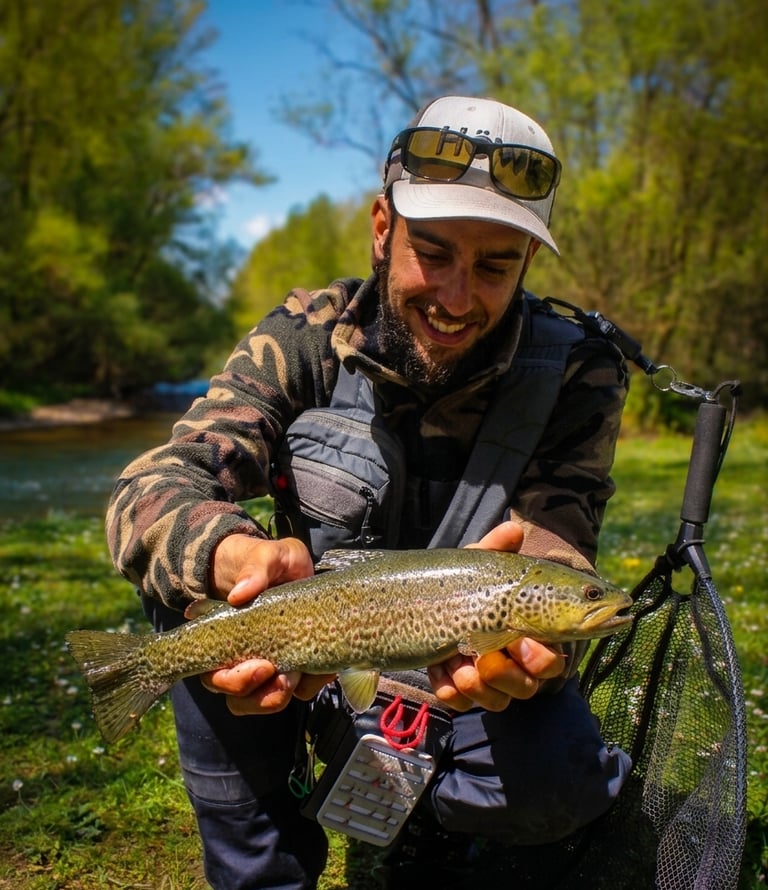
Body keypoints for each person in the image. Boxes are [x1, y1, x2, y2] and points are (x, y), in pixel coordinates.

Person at [106, 95, 631, 890]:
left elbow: (561, 530)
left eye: (496, 265)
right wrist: (228, 552)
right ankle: (264, 869)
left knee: (560, 779)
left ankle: (430, 819)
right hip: (305, 664)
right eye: (434, 250)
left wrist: (541, 645)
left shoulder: (577, 372)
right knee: (184, 587)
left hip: (464, 677)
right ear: (383, 228)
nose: (457, 298)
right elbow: (152, 487)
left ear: (528, 261)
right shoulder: (303, 338)